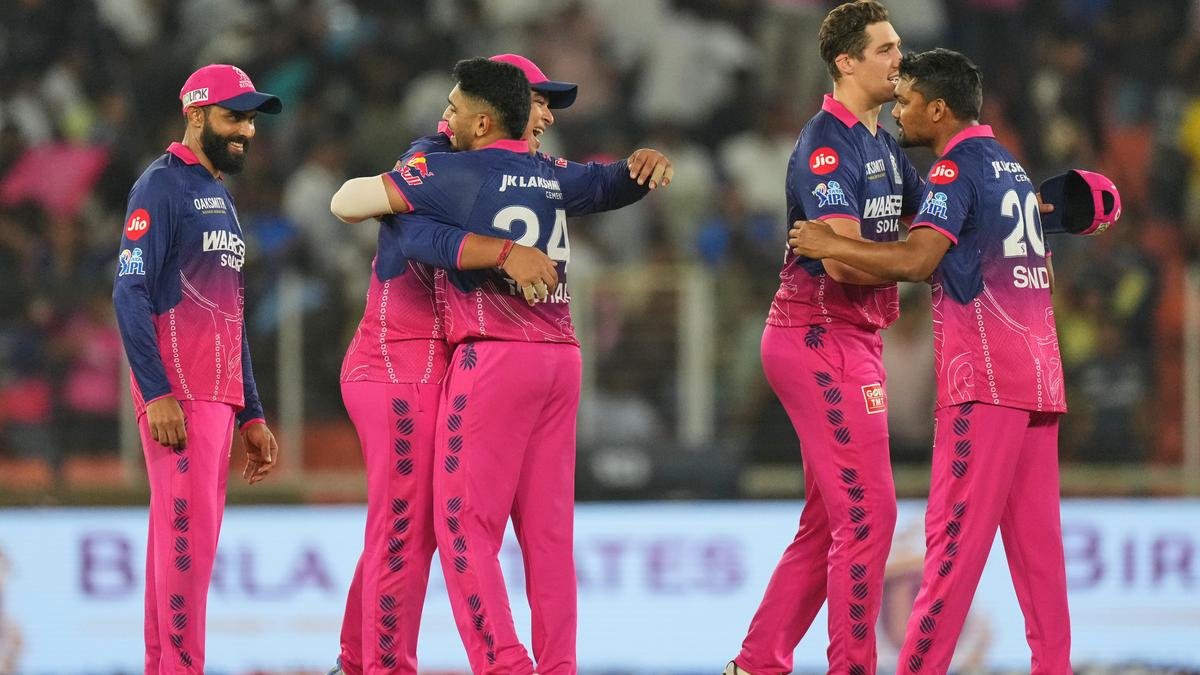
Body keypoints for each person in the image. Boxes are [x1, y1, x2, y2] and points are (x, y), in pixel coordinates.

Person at [329, 53, 670, 675]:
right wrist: (505, 247)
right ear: (506, 109)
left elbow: (359, 207)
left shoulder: (464, 170)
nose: (547, 116)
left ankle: (484, 664)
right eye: (540, 101)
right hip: (482, 359)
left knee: (450, 527)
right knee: (526, 535)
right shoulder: (520, 171)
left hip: (488, 356)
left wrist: (633, 170)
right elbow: (606, 183)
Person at [789, 47, 1105, 675]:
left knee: (951, 552)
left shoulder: (953, 170)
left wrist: (830, 242)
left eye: (906, 101)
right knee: (1040, 558)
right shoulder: (1011, 169)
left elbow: (916, 261)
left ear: (937, 110)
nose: (897, 111)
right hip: (1039, 380)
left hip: (982, 383)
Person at [726, 2, 924, 674]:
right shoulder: (827, 145)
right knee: (870, 513)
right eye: (885, 49)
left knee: (829, 521)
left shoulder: (882, 143)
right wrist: (915, 259)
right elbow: (842, 263)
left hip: (852, 337)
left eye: (898, 46)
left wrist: (1028, 210)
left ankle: (756, 663)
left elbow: (942, 219)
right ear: (846, 61)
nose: (900, 60)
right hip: (818, 334)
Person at [111, 64, 281, 674]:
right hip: (180, 396)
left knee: (178, 549)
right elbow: (129, 292)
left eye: (251, 120)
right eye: (234, 117)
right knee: (189, 551)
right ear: (196, 113)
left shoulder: (219, 196)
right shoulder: (160, 185)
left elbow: (229, 312)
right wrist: (156, 392)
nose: (247, 131)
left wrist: (251, 411)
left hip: (216, 397)